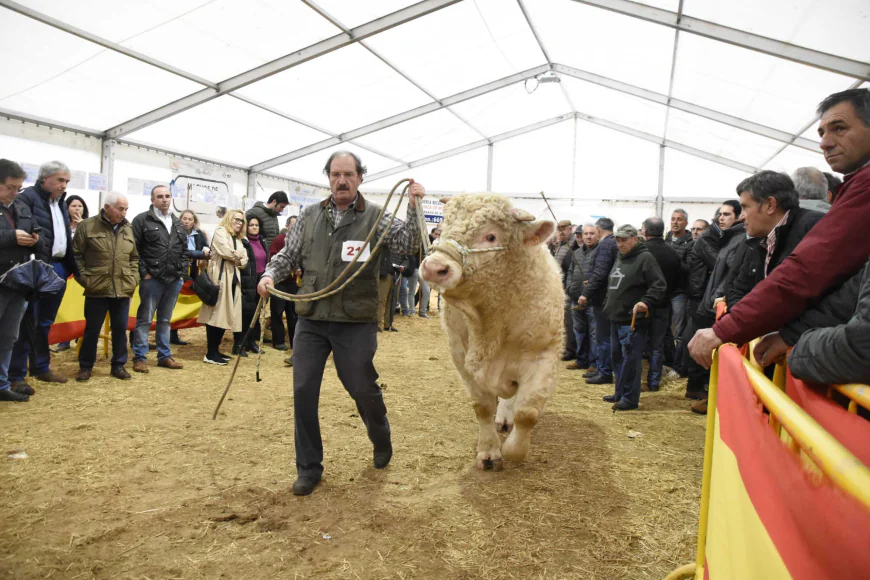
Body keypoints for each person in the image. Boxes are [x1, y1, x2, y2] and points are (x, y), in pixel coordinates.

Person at [257, 151, 424, 496]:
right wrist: (270, 274)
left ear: (360, 177)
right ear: (328, 178)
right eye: (335, 174)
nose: (342, 181)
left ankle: (380, 435)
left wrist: (413, 205)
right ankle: (309, 467)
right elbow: (288, 255)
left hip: (354, 320)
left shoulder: (376, 216)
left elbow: (408, 244)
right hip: (312, 318)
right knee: (303, 390)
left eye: (349, 174)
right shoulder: (309, 215)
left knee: (361, 387)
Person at [689, 88, 870, 369]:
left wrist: (730, 328)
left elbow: (805, 273)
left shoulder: (825, 215)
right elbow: (851, 288)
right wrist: (789, 334)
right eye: (821, 133)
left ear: (771, 205)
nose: (825, 143)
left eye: (839, 128)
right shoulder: (755, 240)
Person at [9, 160, 78, 391]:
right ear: (44, 178)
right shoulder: (26, 198)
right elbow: (27, 231)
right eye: (60, 180)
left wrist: (72, 268)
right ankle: (16, 375)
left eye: (67, 181)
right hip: (36, 268)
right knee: (25, 323)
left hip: (58, 268)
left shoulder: (61, 203)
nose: (64, 185)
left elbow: (64, 238)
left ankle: (40, 367)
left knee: (45, 322)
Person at [726, 171, 823, 308]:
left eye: (745, 207)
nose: (741, 217)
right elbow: (737, 289)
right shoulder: (759, 241)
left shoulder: (813, 229)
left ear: (770, 205)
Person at [73, 192, 138, 381]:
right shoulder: (87, 226)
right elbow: (76, 256)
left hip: (122, 288)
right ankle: (85, 367)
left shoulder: (128, 228)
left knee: (120, 329)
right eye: (120, 209)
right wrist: (86, 280)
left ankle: (118, 365)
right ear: (107, 208)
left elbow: (134, 257)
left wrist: (133, 279)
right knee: (92, 330)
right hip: (96, 289)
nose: (124, 213)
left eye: (126, 209)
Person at [602, 225, 666, 411]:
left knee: (630, 360)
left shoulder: (645, 258)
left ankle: (630, 398)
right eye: (618, 240)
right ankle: (620, 391)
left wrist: (646, 301)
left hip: (631, 320)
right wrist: (607, 303)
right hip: (615, 316)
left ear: (635, 239)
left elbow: (659, 285)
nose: (620, 244)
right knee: (617, 358)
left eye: (624, 240)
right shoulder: (620, 257)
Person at [130, 185, 187, 373]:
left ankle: (164, 356)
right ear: (152, 200)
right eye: (160, 196)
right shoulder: (141, 220)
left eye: (167, 196)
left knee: (165, 320)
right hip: (152, 279)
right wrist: (144, 272)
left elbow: (183, 250)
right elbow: (134, 249)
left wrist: (181, 272)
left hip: (173, 279)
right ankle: (139, 357)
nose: (164, 199)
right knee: (145, 319)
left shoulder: (177, 222)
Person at [0, 160, 40, 402]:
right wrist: (11, 237)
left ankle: (2, 384)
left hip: (17, 282)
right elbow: (10, 236)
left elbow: (36, 228)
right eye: (10, 187)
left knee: (8, 337)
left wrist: (35, 238)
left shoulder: (20, 207)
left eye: (18, 188)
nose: (15, 193)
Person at [198, 210, 248, 365]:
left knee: (225, 316)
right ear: (229, 219)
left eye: (242, 221)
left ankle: (215, 350)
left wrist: (237, 257)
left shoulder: (238, 239)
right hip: (220, 280)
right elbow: (225, 252)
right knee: (216, 316)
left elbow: (244, 260)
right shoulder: (221, 231)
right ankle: (210, 353)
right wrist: (238, 256)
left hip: (233, 280)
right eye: (237, 219)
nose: (240, 223)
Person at [642, 217, 681, 391]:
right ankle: (654, 381)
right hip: (664, 303)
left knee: (640, 343)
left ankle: (641, 379)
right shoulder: (672, 252)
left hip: (643, 304)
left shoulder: (642, 252)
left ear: (645, 231)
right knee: (657, 345)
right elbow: (678, 279)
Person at [578, 218, 618, 384]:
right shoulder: (613, 243)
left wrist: (586, 293)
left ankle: (604, 372)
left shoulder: (605, 245)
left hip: (602, 298)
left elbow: (600, 272)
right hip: (609, 295)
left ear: (599, 230)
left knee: (603, 338)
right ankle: (602, 368)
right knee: (604, 337)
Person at [54, 194, 90, 352]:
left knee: (79, 307)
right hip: (65, 270)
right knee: (64, 305)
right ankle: (64, 339)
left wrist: (83, 227)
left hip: (82, 272)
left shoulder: (89, 225)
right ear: (67, 208)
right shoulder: (62, 226)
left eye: (80, 206)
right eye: (74, 206)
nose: (77, 209)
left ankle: (80, 335)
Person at [170, 209, 209, 346]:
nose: (186, 222)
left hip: (194, 271)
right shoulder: (174, 232)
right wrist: (199, 254)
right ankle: (171, 332)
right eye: (184, 218)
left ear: (194, 221)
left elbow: (206, 248)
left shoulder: (199, 234)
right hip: (178, 271)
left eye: (190, 219)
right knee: (174, 303)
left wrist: (205, 251)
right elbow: (182, 252)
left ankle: (175, 332)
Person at [565, 224, 599, 371]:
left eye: (591, 233)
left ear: (597, 235)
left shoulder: (600, 252)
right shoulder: (577, 253)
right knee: (579, 331)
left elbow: (600, 273)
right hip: (575, 298)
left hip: (592, 300)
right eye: (586, 234)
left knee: (594, 333)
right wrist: (569, 287)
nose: (588, 237)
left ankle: (594, 363)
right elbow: (570, 272)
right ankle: (581, 359)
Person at [233, 216, 268, 355]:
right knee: (244, 315)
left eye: (256, 225)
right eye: (251, 225)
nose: (254, 227)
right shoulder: (242, 241)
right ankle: (239, 344)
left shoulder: (262, 241)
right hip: (247, 282)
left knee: (256, 313)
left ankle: (251, 342)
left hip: (260, 280)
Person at [665, 209, 693, 375]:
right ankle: (667, 361)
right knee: (665, 329)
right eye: (673, 219)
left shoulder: (690, 243)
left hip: (680, 292)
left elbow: (689, 268)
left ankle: (678, 366)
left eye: (679, 219)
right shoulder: (666, 240)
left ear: (686, 223)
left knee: (679, 329)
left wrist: (673, 258)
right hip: (664, 292)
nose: (675, 222)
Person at [268, 230, 299, 351]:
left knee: (294, 314)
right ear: (287, 226)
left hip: (293, 283)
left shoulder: (301, 241)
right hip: (279, 283)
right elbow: (273, 258)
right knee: (277, 312)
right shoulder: (279, 240)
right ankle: (278, 341)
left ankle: (294, 342)